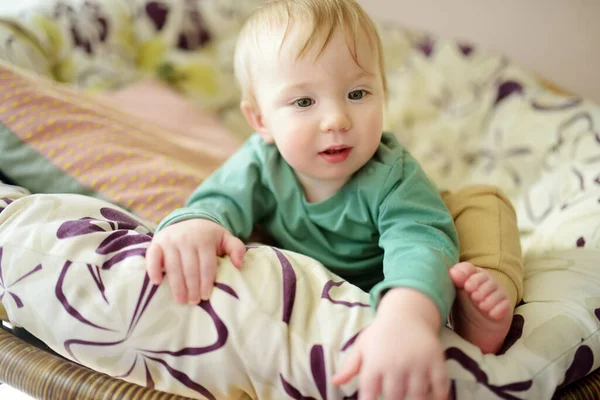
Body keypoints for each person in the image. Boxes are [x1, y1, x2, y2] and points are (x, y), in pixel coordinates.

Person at [146, 0, 523, 398]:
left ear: (384, 92)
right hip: (325, 285)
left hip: (414, 250)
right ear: (260, 121)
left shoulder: (392, 174)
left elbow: (419, 242)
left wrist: (406, 315)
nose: (337, 119)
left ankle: (479, 310)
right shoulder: (260, 163)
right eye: (304, 102)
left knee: (483, 205)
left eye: (358, 93)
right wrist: (195, 225)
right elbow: (218, 201)